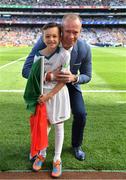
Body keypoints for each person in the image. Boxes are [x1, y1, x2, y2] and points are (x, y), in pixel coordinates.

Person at [22, 14, 92, 161]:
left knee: (80, 114)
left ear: (80, 31)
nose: (71, 36)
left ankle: (76, 146)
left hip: (71, 85)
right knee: (41, 118)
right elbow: (26, 70)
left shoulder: (85, 48)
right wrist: (49, 76)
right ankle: (38, 149)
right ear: (61, 30)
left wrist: (75, 78)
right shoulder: (46, 42)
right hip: (46, 85)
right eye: (67, 31)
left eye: (75, 32)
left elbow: (87, 75)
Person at [24, 23, 71, 178]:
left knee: (58, 125)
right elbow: (35, 78)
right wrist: (47, 78)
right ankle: (42, 153)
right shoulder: (38, 55)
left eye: (54, 36)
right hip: (42, 96)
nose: (51, 39)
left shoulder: (64, 54)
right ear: (43, 37)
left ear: (59, 37)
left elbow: (63, 80)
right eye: (48, 36)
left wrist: (49, 94)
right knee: (44, 125)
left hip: (57, 95)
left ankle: (57, 158)